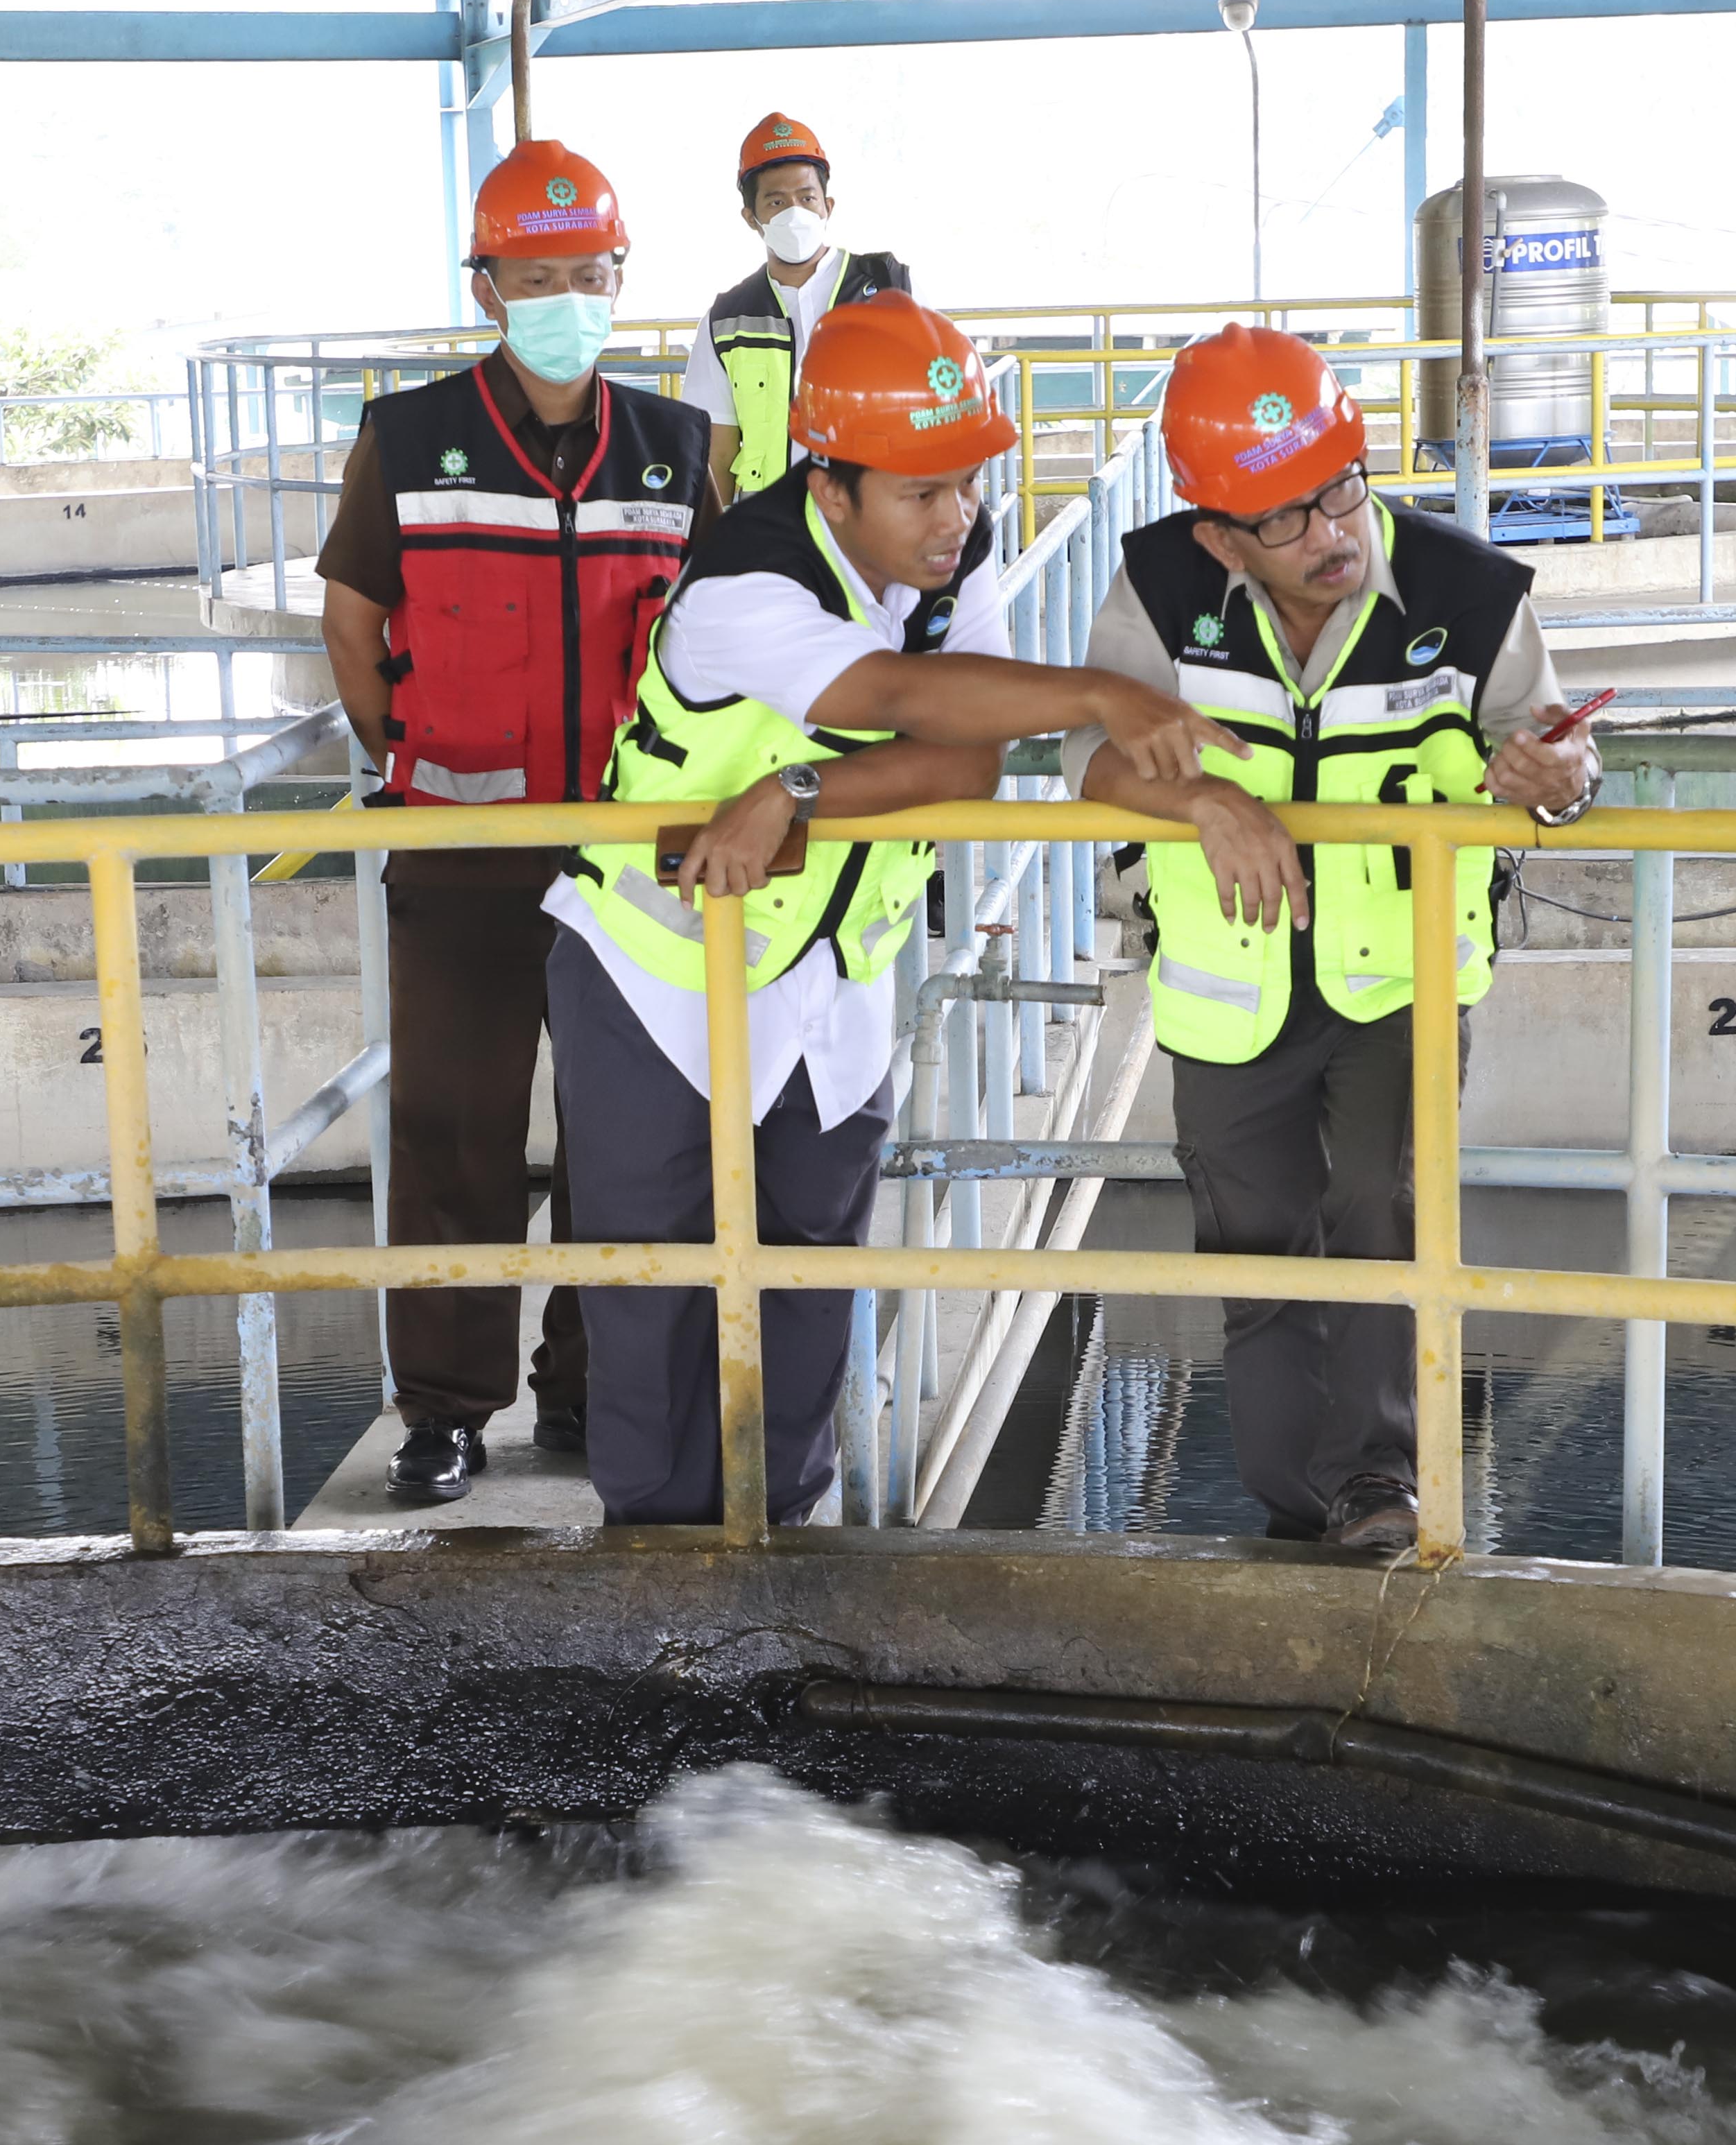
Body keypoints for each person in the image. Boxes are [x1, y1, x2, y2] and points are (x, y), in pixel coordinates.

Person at [549, 295, 1233, 1528]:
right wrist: (1093, 693)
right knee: (653, 1278)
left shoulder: (946, 563)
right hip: (657, 970)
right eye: (920, 491)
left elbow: (959, 763)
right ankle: (655, 1556)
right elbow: (897, 693)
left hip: (833, 980)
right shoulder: (744, 580)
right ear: (834, 480)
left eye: (966, 483)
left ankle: (787, 1534)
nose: (956, 516)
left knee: (814, 1271)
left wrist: (793, 790)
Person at [1066, 324, 1599, 1556]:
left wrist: (1556, 771)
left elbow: (1563, 755)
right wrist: (1200, 798)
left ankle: (1376, 1487)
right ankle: (1293, 1502)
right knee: (1255, 1247)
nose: (1333, 536)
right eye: (1289, 521)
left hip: (1399, 975)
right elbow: (1081, 762)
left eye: (1343, 494)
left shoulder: (1469, 595)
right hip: (1227, 981)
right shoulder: (1161, 591)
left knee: (1380, 1208)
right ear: (1218, 534)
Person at [316, 139, 712, 1505]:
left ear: (620, 279)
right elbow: (356, 630)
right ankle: (442, 1413)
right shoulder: (408, 439)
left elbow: (715, 647)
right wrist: (419, 766)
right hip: (461, 852)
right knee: (453, 1137)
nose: (563, 297)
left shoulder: (674, 450)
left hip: (626, 865)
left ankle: (591, 1393)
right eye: (533, 276)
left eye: (585, 274)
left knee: (626, 1139)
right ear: (487, 288)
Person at [688, 111, 913, 506]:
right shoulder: (726, 321)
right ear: (752, 218)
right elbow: (716, 453)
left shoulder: (889, 289)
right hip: (767, 534)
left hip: (870, 526)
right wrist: (712, 554)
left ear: (827, 205)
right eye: (776, 201)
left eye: (806, 198)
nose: (795, 212)